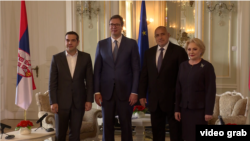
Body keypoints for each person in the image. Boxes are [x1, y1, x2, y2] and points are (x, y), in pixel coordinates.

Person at [94, 15, 140, 141]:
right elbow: (97, 70)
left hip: (126, 93)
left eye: (117, 24)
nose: (114, 27)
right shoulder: (101, 44)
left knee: (126, 125)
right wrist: (97, 91)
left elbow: (136, 69)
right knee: (107, 125)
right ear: (109, 26)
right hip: (106, 93)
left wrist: (134, 91)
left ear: (122, 26)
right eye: (111, 24)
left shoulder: (131, 44)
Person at [139, 26, 188, 141]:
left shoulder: (179, 51)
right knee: (157, 133)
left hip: (173, 101)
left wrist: (181, 97)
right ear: (155, 37)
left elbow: (183, 78)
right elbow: (144, 75)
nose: (160, 37)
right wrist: (141, 94)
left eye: (162, 34)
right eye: (157, 35)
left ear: (168, 35)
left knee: (176, 133)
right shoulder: (149, 53)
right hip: (155, 100)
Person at [49, 31, 93, 141]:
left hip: (79, 102)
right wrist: (53, 101)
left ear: (77, 42)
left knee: (75, 134)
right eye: (67, 40)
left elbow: (89, 81)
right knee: (60, 134)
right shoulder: (56, 58)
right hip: (60, 103)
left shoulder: (86, 57)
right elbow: (52, 83)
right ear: (65, 42)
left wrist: (89, 100)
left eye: (73, 40)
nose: (70, 42)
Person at [174, 38, 216, 141]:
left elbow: (211, 90)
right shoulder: (183, 66)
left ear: (201, 50)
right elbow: (178, 89)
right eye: (189, 49)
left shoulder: (207, 66)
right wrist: (177, 109)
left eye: (194, 49)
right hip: (185, 109)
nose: (191, 52)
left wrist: (208, 111)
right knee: (187, 137)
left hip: (200, 110)